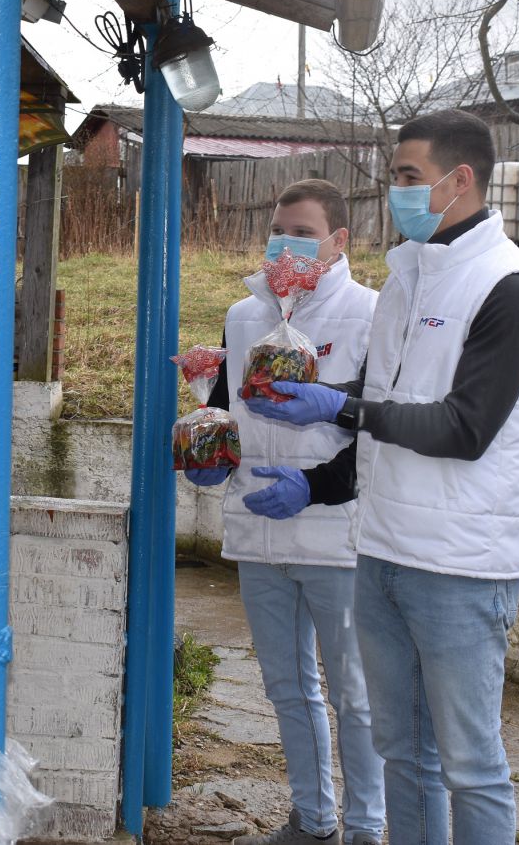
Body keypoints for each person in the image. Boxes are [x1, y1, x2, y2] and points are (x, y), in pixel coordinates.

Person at [249, 110, 519, 845]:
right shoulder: (406, 282)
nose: (397, 192)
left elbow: (464, 427)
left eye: (409, 178)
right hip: (382, 552)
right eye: (394, 177)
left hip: (459, 566)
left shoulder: (511, 288)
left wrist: (346, 406)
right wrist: (319, 478)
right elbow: (374, 423)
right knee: (402, 755)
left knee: (471, 765)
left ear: (462, 180)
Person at [188, 179, 384, 845]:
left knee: (353, 695)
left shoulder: (369, 314)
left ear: (338, 242)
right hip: (258, 531)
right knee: (286, 688)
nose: (284, 246)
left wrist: (316, 487)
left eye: (301, 232)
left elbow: (379, 434)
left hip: (335, 537)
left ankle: (366, 825)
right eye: (277, 231)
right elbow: (223, 407)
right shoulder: (244, 317)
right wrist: (206, 453)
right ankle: (313, 818)